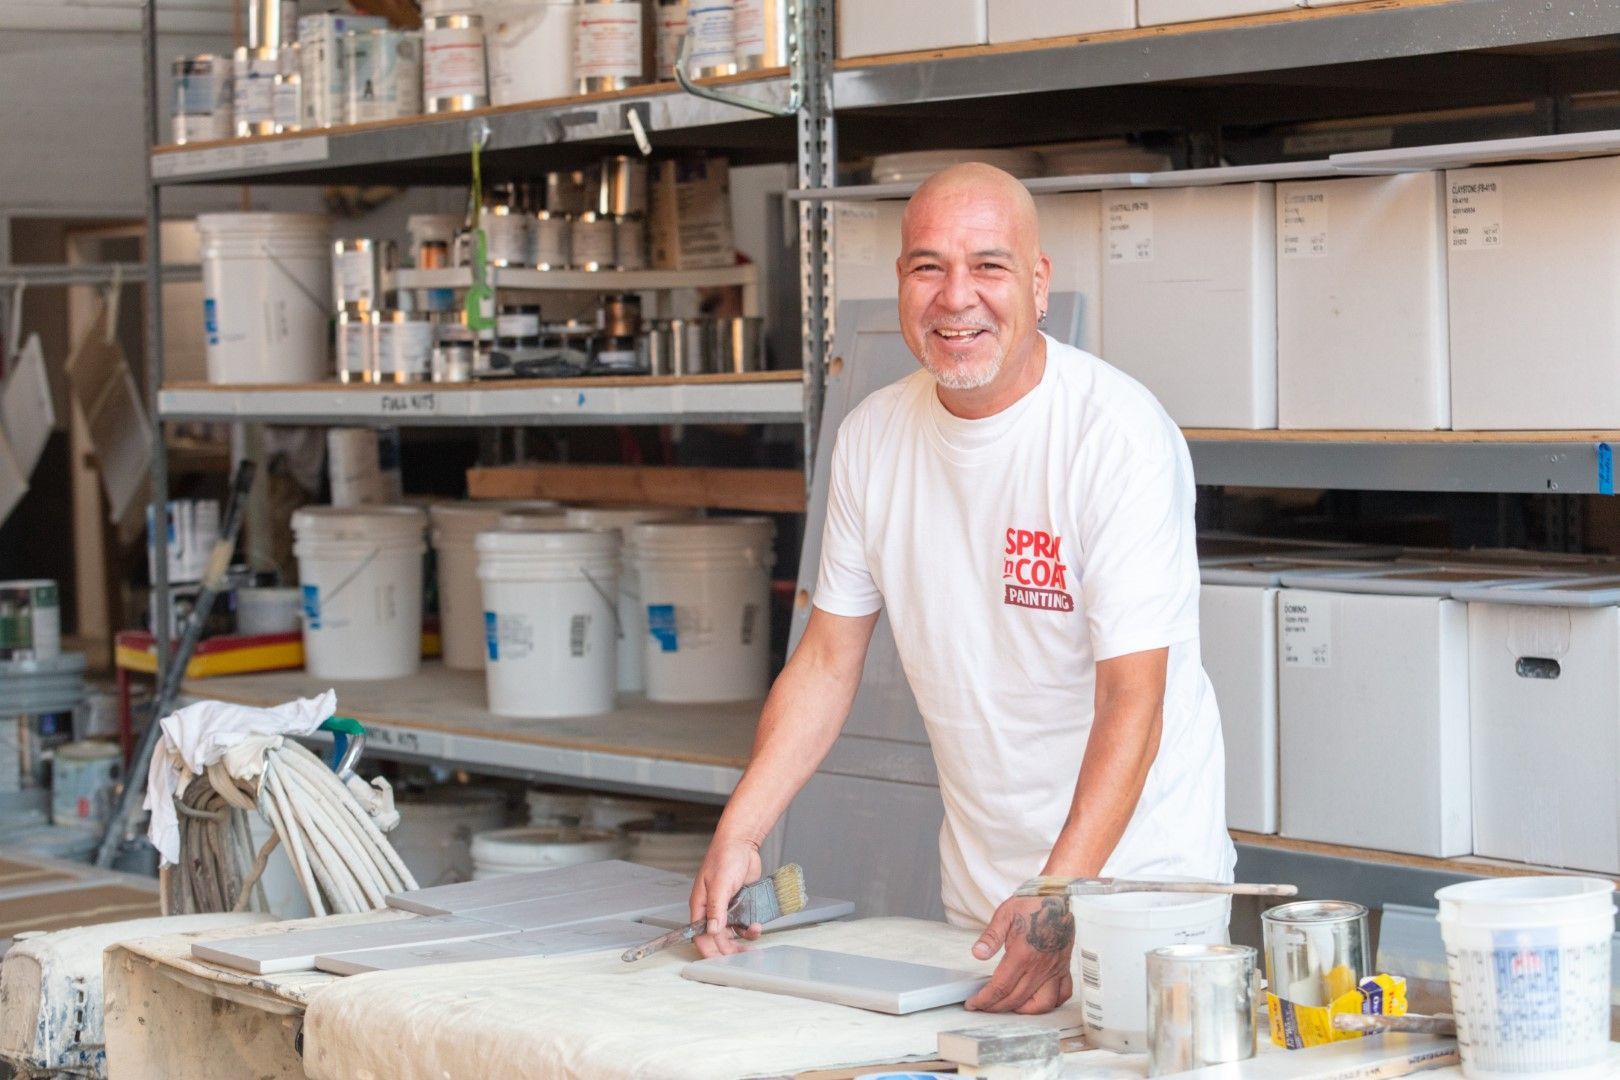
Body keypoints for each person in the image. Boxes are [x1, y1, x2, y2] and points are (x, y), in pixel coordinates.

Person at [690, 162, 1234, 1015]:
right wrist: (742, 828)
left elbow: (1135, 700)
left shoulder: (1115, 436)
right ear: (901, 284)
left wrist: (1060, 893)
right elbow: (828, 660)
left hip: (1141, 895)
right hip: (982, 903)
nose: (956, 298)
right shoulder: (874, 440)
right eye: (927, 267)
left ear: (1039, 281)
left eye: (989, 265)